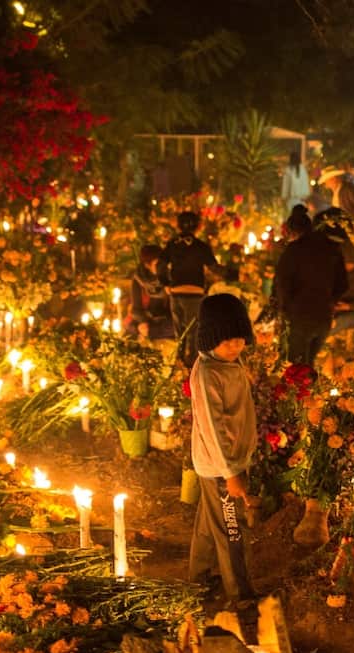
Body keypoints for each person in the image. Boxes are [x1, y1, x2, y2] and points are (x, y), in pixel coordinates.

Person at [188, 294, 259, 604]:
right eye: (227, 341)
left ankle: (198, 578)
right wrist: (230, 472)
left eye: (240, 339)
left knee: (210, 522)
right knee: (230, 529)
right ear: (211, 339)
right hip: (219, 465)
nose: (235, 346)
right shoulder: (207, 373)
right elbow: (213, 428)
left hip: (227, 461)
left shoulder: (229, 363)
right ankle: (239, 593)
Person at [273, 210, 348, 365]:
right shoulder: (331, 249)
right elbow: (343, 283)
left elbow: (282, 283)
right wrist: (330, 301)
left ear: (291, 232)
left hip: (299, 315)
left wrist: (285, 309)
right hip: (323, 316)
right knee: (309, 365)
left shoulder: (293, 251)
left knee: (297, 369)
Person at [161, 211, 219, 367]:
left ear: (177, 225)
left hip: (176, 291)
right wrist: (236, 273)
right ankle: (190, 368)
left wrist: (165, 283)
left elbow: (160, 264)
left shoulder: (171, 245)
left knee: (179, 332)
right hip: (195, 292)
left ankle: (178, 366)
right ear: (198, 227)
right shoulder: (201, 246)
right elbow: (214, 267)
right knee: (193, 332)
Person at [128, 244, 174, 340]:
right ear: (147, 265)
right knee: (131, 327)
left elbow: (175, 312)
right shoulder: (138, 279)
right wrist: (144, 324)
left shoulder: (169, 277)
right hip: (146, 319)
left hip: (166, 322)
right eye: (157, 264)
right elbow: (136, 309)